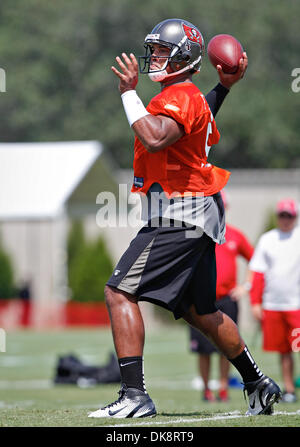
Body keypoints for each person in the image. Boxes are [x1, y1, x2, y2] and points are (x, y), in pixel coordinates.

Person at [88, 18, 281, 419]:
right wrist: (225, 87)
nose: (153, 57)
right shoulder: (188, 96)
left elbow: (156, 135)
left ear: (182, 58)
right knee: (201, 312)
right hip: (196, 212)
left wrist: (128, 95)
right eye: (154, 49)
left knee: (119, 291)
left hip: (181, 213)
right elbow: (200, 112)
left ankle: (135, 395)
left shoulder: (178, 94)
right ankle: (258, 383)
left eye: (161, 51)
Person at [189, 190, 254, 402]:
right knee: (204, 349)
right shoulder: (197, 233)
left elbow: (254, 260)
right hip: (200, 297)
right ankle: (206, 389)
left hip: (227, 299)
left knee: (228, 345)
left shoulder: (235, 235)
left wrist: (245, 286)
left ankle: (224, 387)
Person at [250, 198, 300, 403]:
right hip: (274, 305)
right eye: (282, 215)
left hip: (296, 305)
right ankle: (289, 389)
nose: (286, 219)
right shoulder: (268, 239)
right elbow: (258, 273)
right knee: (284, 351)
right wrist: (255, 302)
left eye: (289, 215)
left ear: (295, 217)